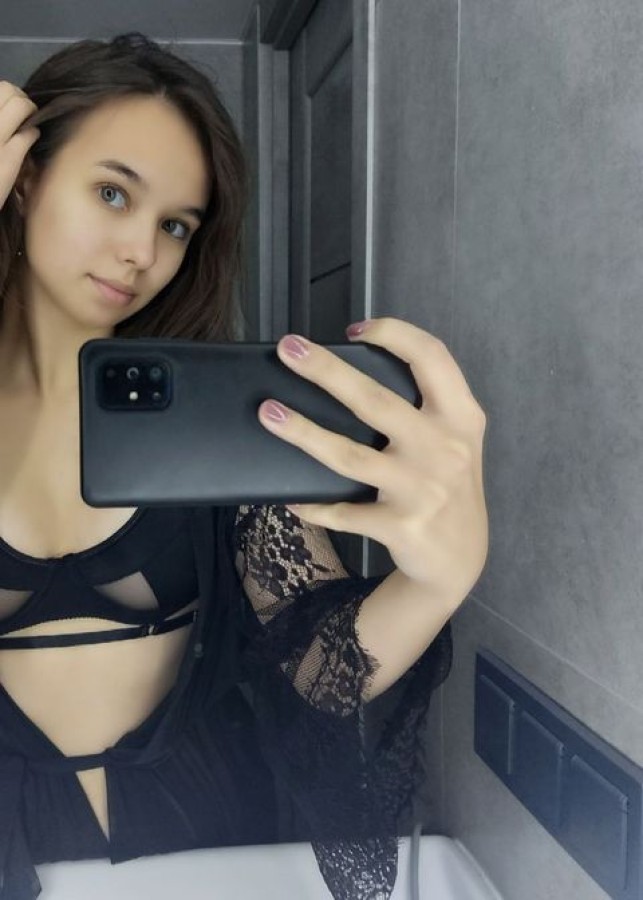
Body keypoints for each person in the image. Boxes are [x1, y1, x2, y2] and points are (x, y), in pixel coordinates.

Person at [0, 32, 488, 900]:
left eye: (174, 225)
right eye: (112, 192)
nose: (141, 252)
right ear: (26, 177)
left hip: (203, 835)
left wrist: (437, 580)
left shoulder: (218, 424)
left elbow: (318, 660)